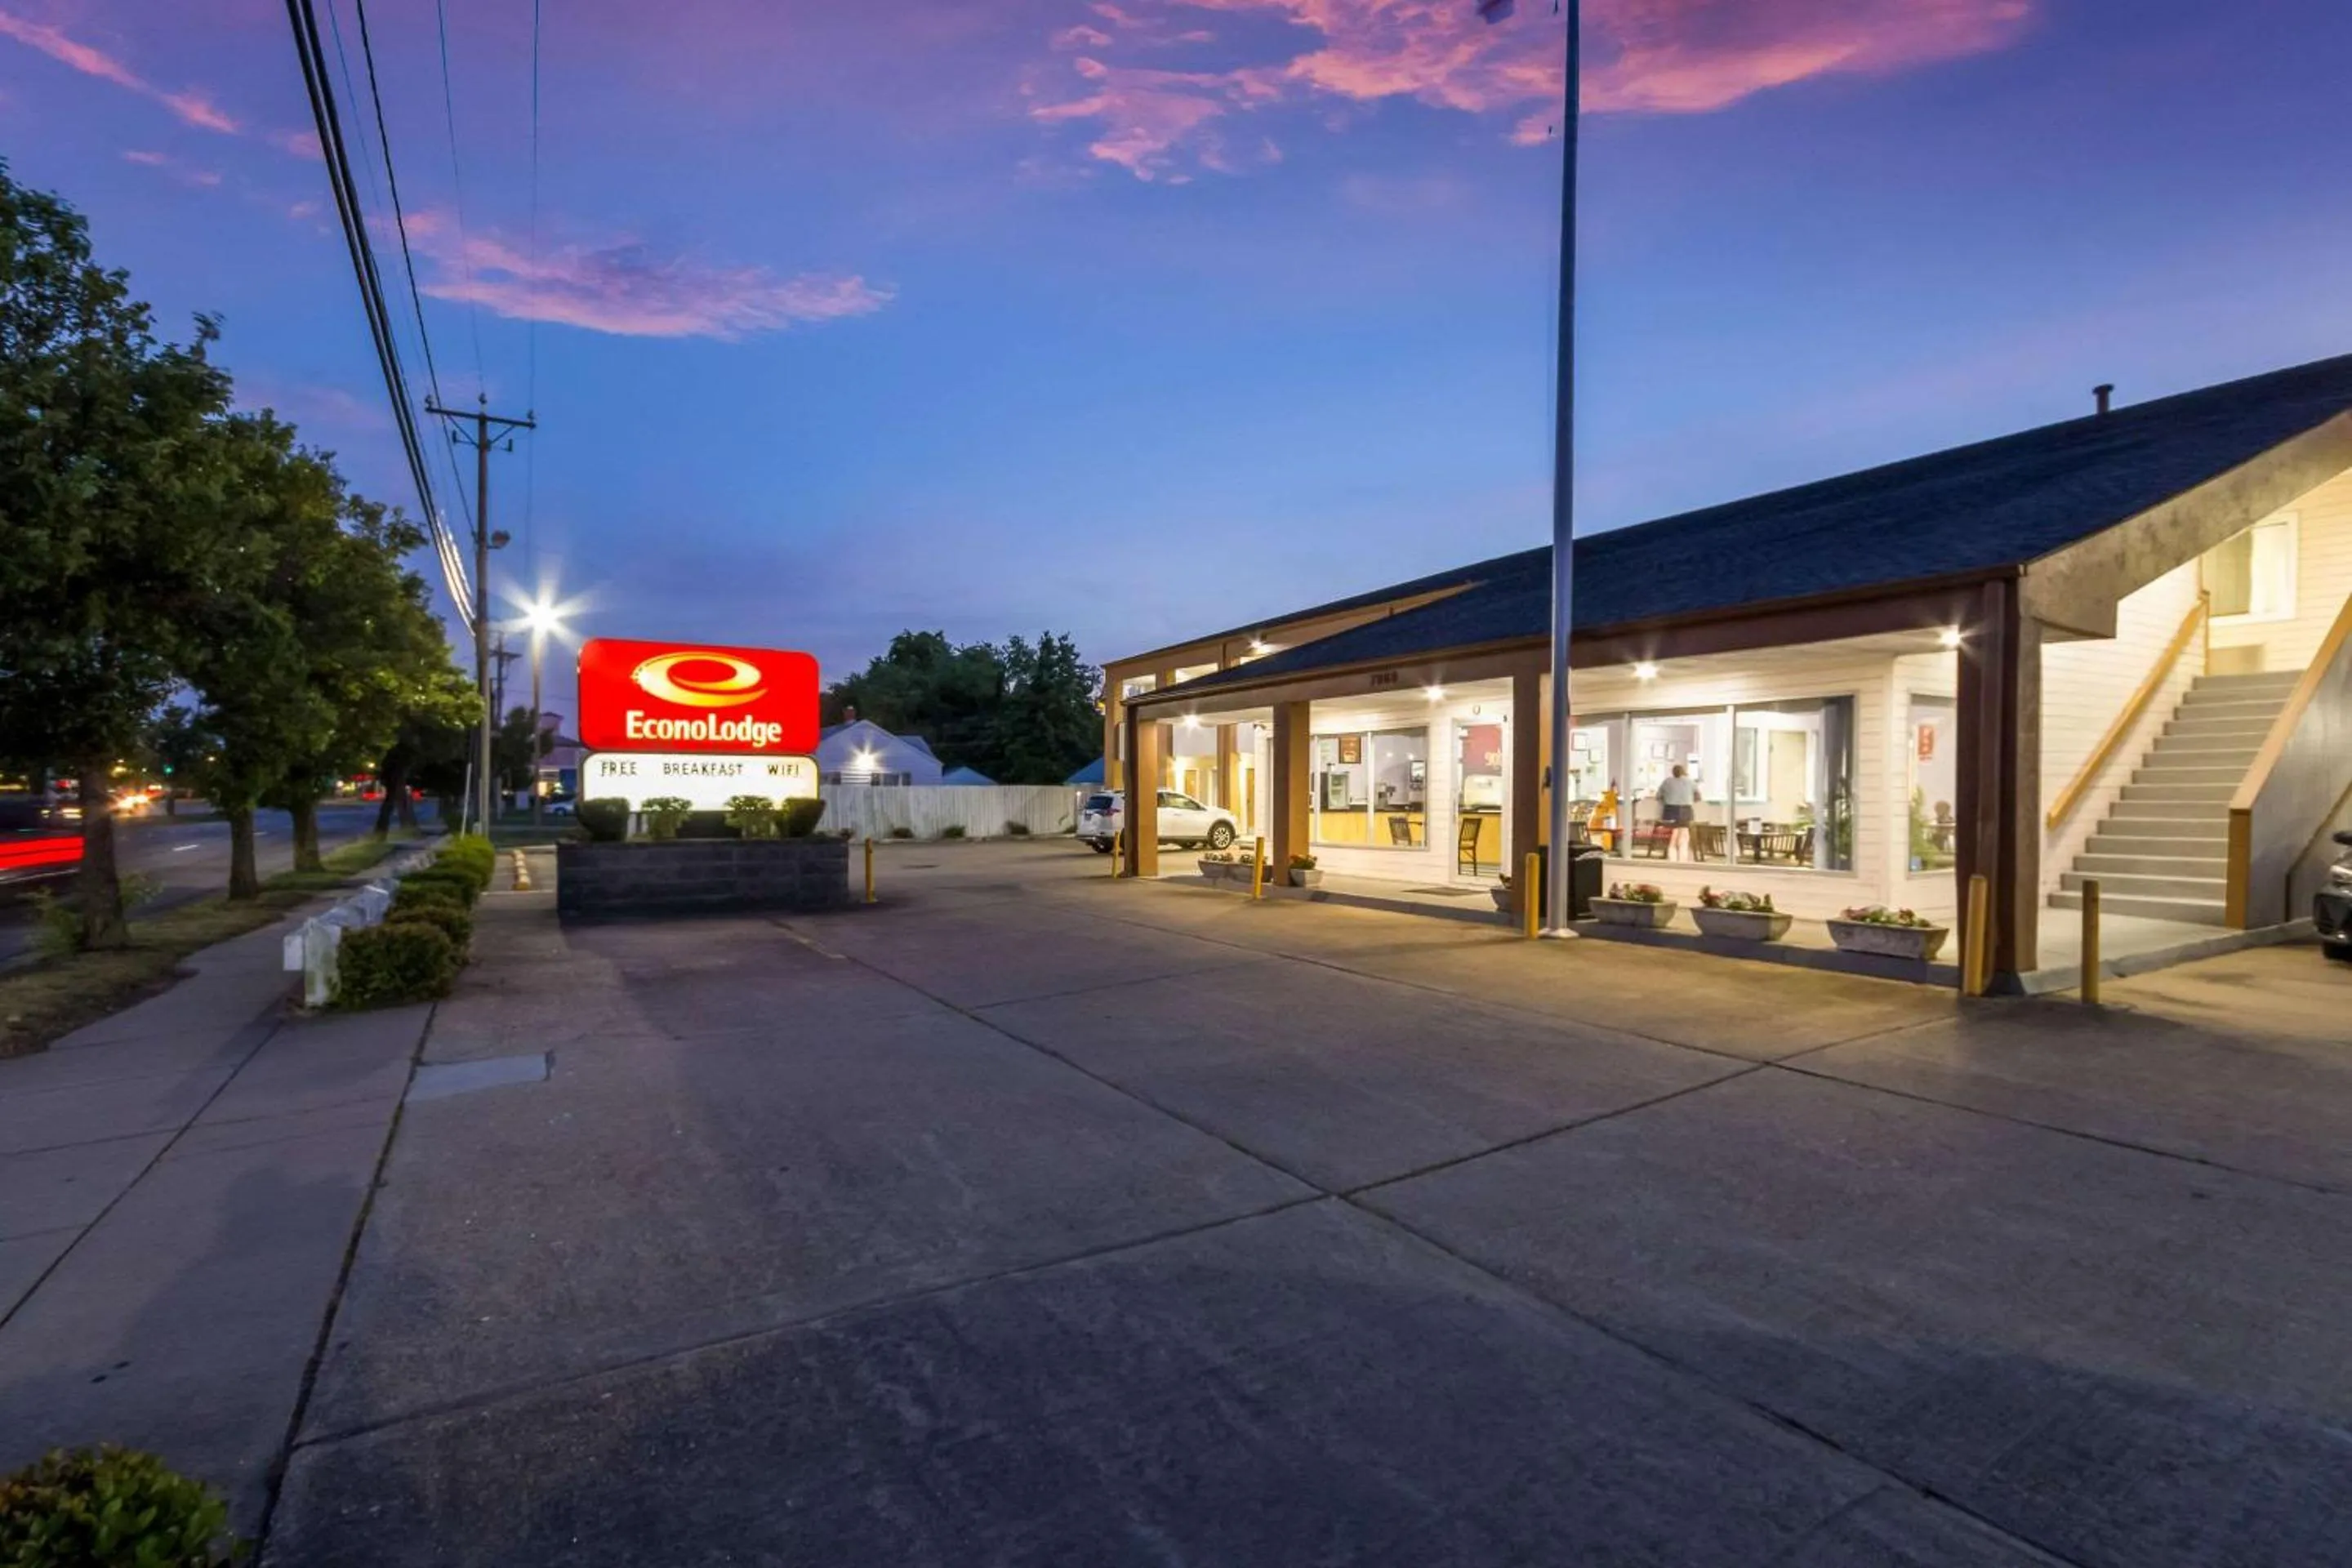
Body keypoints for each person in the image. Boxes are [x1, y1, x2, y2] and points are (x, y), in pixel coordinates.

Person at [1657, 764, 1698, 861]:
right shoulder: (1690, 782)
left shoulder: (1667, 782)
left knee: (1673, 835)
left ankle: (1672, 857)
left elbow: (1658, 796)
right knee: (1684, 834)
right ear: (1683, 772)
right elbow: (1698, 797)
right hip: (1686, 811)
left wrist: (1669, 798)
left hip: (1670, 811)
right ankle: (1683, 858)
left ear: (1673, 772)